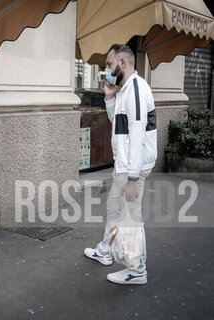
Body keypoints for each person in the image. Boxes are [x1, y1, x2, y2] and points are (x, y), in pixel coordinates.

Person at [84, 44, 157, 285]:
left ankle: (137, 270)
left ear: (122, 63)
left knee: (132, 217)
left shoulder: (136, 89)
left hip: (131, 168)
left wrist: (133, 179)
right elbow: (118, 122)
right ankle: (106, 250)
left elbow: (136, 134)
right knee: (114, 209)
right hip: (124, 165)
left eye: (108, 64)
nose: (106, 69)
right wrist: (109, 98)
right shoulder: (125, 90)